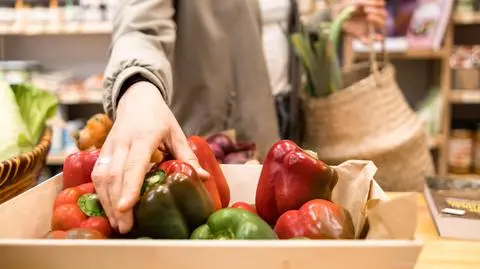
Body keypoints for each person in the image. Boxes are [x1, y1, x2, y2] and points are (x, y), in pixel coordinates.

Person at [92, 0, 387, 234]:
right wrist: (138, 85)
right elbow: (139, 28)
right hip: (210, 135)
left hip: (278, 118)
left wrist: (330, 21)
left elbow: (267, 26)